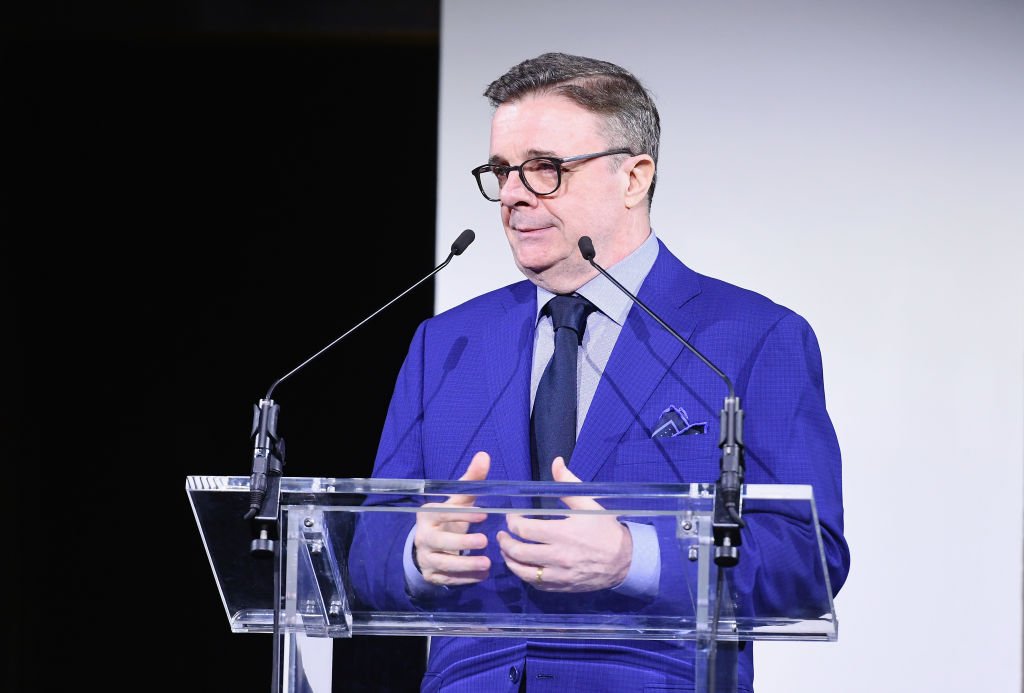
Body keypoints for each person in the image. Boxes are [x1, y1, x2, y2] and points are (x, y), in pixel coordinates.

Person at [357, 52, 850, 692]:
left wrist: (632, 558)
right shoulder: (445, 343)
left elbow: (806, 559)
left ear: (633, 177)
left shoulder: (749, 338)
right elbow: (363, 546)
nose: (511, 195)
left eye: (545, 170)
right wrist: (416, 557)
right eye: (502, 171)